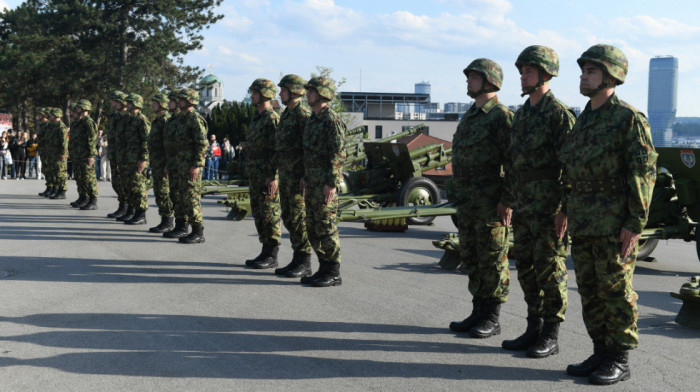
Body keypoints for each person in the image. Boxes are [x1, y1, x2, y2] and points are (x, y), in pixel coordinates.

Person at [559, 44, 656, 385]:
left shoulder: (628, 118)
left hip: (614, 224)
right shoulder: (585, 117)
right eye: (584, 71)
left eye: (592, 71)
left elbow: (643, 174)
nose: (583, 76)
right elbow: (571, 171)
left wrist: (634, 224)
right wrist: (565, 210)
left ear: (611, 76)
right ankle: (600, 351)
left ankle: (619, 358)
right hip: (584, 221)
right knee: (589, 289)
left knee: (615, 290)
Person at [500, 46, 575, 357]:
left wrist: (566, 210)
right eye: (522, 71)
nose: (522, 76)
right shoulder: (524, 114)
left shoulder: (559, 115)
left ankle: (551, 334)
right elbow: (512, 162)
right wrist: (508, 200)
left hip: (549, 208)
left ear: (545, 75)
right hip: (524, 205)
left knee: (551, 269)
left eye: (529, 71)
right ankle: (534, 327)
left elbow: (572, 167)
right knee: (528, 269)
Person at [447, 59, 513, 338]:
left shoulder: (501, 116)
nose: (468, 81)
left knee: (493, 258)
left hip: (490, 202)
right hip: (468, 201)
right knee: (472, 257)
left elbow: (513, 162)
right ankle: (478, 311)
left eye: (473, 77)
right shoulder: (471, 114)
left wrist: (508, 200)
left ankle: (492, 317)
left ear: (489, 81)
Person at [299, 76, 346, 287]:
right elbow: (309, 153)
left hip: (325, 184)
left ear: (322, 94)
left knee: (326, 226)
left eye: (312, 91)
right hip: (312, 183)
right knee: (313, 226)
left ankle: (333, 271)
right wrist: (305, 177)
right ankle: (323, 268)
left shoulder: (331, 120)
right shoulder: (313, 119)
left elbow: (337, 154)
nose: (308, 94)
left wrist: (332, 183)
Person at [272, 74, 314, 278]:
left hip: (298, 177)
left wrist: (305, 175)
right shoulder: (287, 114)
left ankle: (304, 261)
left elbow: (309, 148)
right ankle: (297, 258)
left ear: (294, 91)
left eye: (283, 90)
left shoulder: (302, 115)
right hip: (286, 175)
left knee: (298, 218)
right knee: (289, 217)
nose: (280, 94)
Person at [243, 78, 282, 267]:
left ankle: (272, 255)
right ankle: (264, 250)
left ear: (264, 95)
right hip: (256, 175)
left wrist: (273, 176)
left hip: (267, 177)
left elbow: (277, 149)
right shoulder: (257, 118)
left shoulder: (272, 119)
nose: (252, 96)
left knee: (270, 214)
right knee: (259, 214)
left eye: (255, 93)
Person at [170, 88, 208, 243]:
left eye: (182, 99)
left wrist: (197, 165)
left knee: (192, 198)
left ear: (189, 101)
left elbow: (201, 144)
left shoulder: (194, 119)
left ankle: (198, 231)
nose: (179, 101)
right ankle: (182, 226)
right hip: (180, 165)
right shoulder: (181, 119)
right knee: (181, 197)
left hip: (190, 166)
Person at [162, 90, 190, 239]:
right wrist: (168, 163)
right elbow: (171, 146)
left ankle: (186, 227)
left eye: (172, 101)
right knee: (175, 195)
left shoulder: (188, 119)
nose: (170, 104)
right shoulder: (175, 120)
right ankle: (179, 225)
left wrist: (196, 165)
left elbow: (199, 144)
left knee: (185, 197)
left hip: (185, 165)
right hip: (175, 164)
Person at [147, 92, 175, 233]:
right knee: (158, 192)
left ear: (162, 105)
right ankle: (164, 220)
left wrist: (167, 165)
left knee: (164, 193)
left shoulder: (166, 120)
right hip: (156, 163)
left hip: (163, 164)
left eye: (156, 103)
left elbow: (169, 145)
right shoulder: (158, 120)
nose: (153, 105)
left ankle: (168, 222)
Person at [122, 93, 150, 224]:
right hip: (129, 158)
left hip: (138, 159)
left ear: (136, 104)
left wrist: (143, 159)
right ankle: (133, 211)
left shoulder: (142, 120)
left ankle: (141, 214)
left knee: (139, 187)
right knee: (131, 186)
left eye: (129, 103)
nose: (127, 105)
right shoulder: (130, 119)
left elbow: (145, 141)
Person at [69, 100, 99, 210]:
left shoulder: (88, 122)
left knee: (89, 178)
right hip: (78, 155)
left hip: (86, 155)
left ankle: (93, 200)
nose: (76, 109)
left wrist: (91, 155)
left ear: (83, 108)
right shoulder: (78, 122)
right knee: (80, 177)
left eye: (78, 107)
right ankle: (83, 197)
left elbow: (91, 140)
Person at [107, 91, 130, 219]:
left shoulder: (128, 117)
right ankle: (122, 206)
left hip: (125, 156)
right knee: (117, 182)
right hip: (115, 154)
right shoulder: (115, 117)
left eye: (114, 101)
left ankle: (127, 208)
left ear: (121, 102)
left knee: (125, 183)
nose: (111, 103)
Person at [47, 107, 69, 199]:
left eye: (52, 114)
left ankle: (62, 191)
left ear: (56, 115)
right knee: (56, 173)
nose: (50, 116)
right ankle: (58, 190)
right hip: (54, 153)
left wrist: (63, 153)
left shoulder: (61, 126)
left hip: (60, 154)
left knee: (61, 173)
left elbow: (64, 142)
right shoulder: (54, 125)